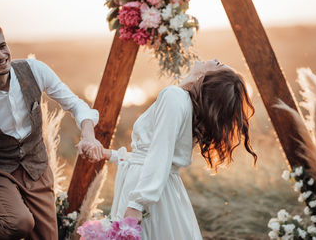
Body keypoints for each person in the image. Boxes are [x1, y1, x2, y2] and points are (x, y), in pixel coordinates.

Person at [87, 59, 257, 239]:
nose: (212, 59)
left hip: (146, 188)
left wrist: (137, 205)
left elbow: (158, 156)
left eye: (218, 64)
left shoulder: (174, 97)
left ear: (210, 79)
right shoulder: (186, 104)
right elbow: (155, 153)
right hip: (162, 188)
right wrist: (112, 155)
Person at [0, 26, 103, 240]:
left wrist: (88, 135)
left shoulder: (34, 70)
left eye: (2, 46)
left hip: (37, 167)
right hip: (2, 170)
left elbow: (75, 104)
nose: (1, 56)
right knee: (19, 223)